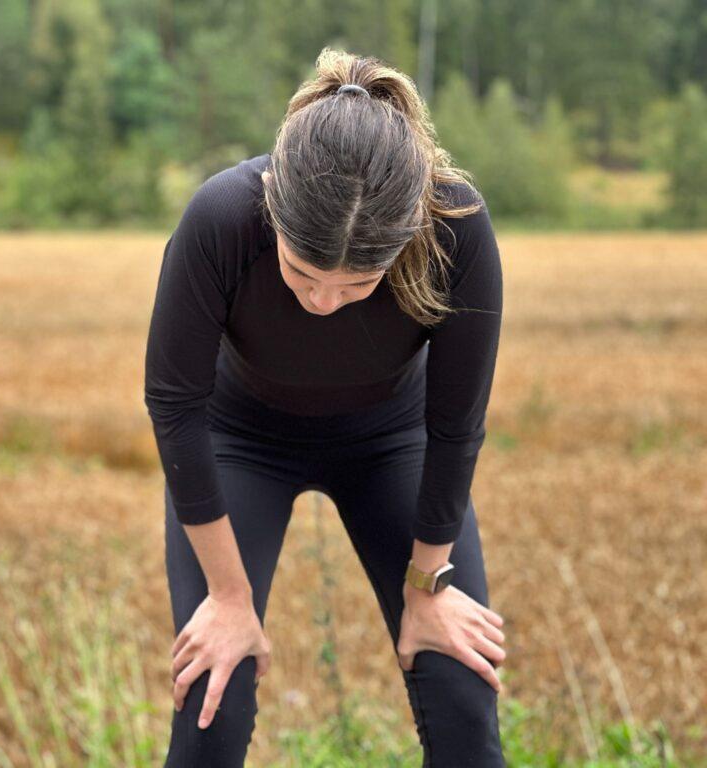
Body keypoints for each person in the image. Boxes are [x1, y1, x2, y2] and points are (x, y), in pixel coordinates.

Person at [143, 47, 507, 768]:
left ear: (407, 237)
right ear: (273, 201)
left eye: (357, 284)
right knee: (216, 698)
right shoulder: (221, 216)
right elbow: (174, 403)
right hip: (238, 438)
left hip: (391, 440)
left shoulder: (456, 226)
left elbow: (456, 422)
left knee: (462, 693)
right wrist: (227, 596)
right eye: (303, 272)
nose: (322, 302)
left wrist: (428, 584)